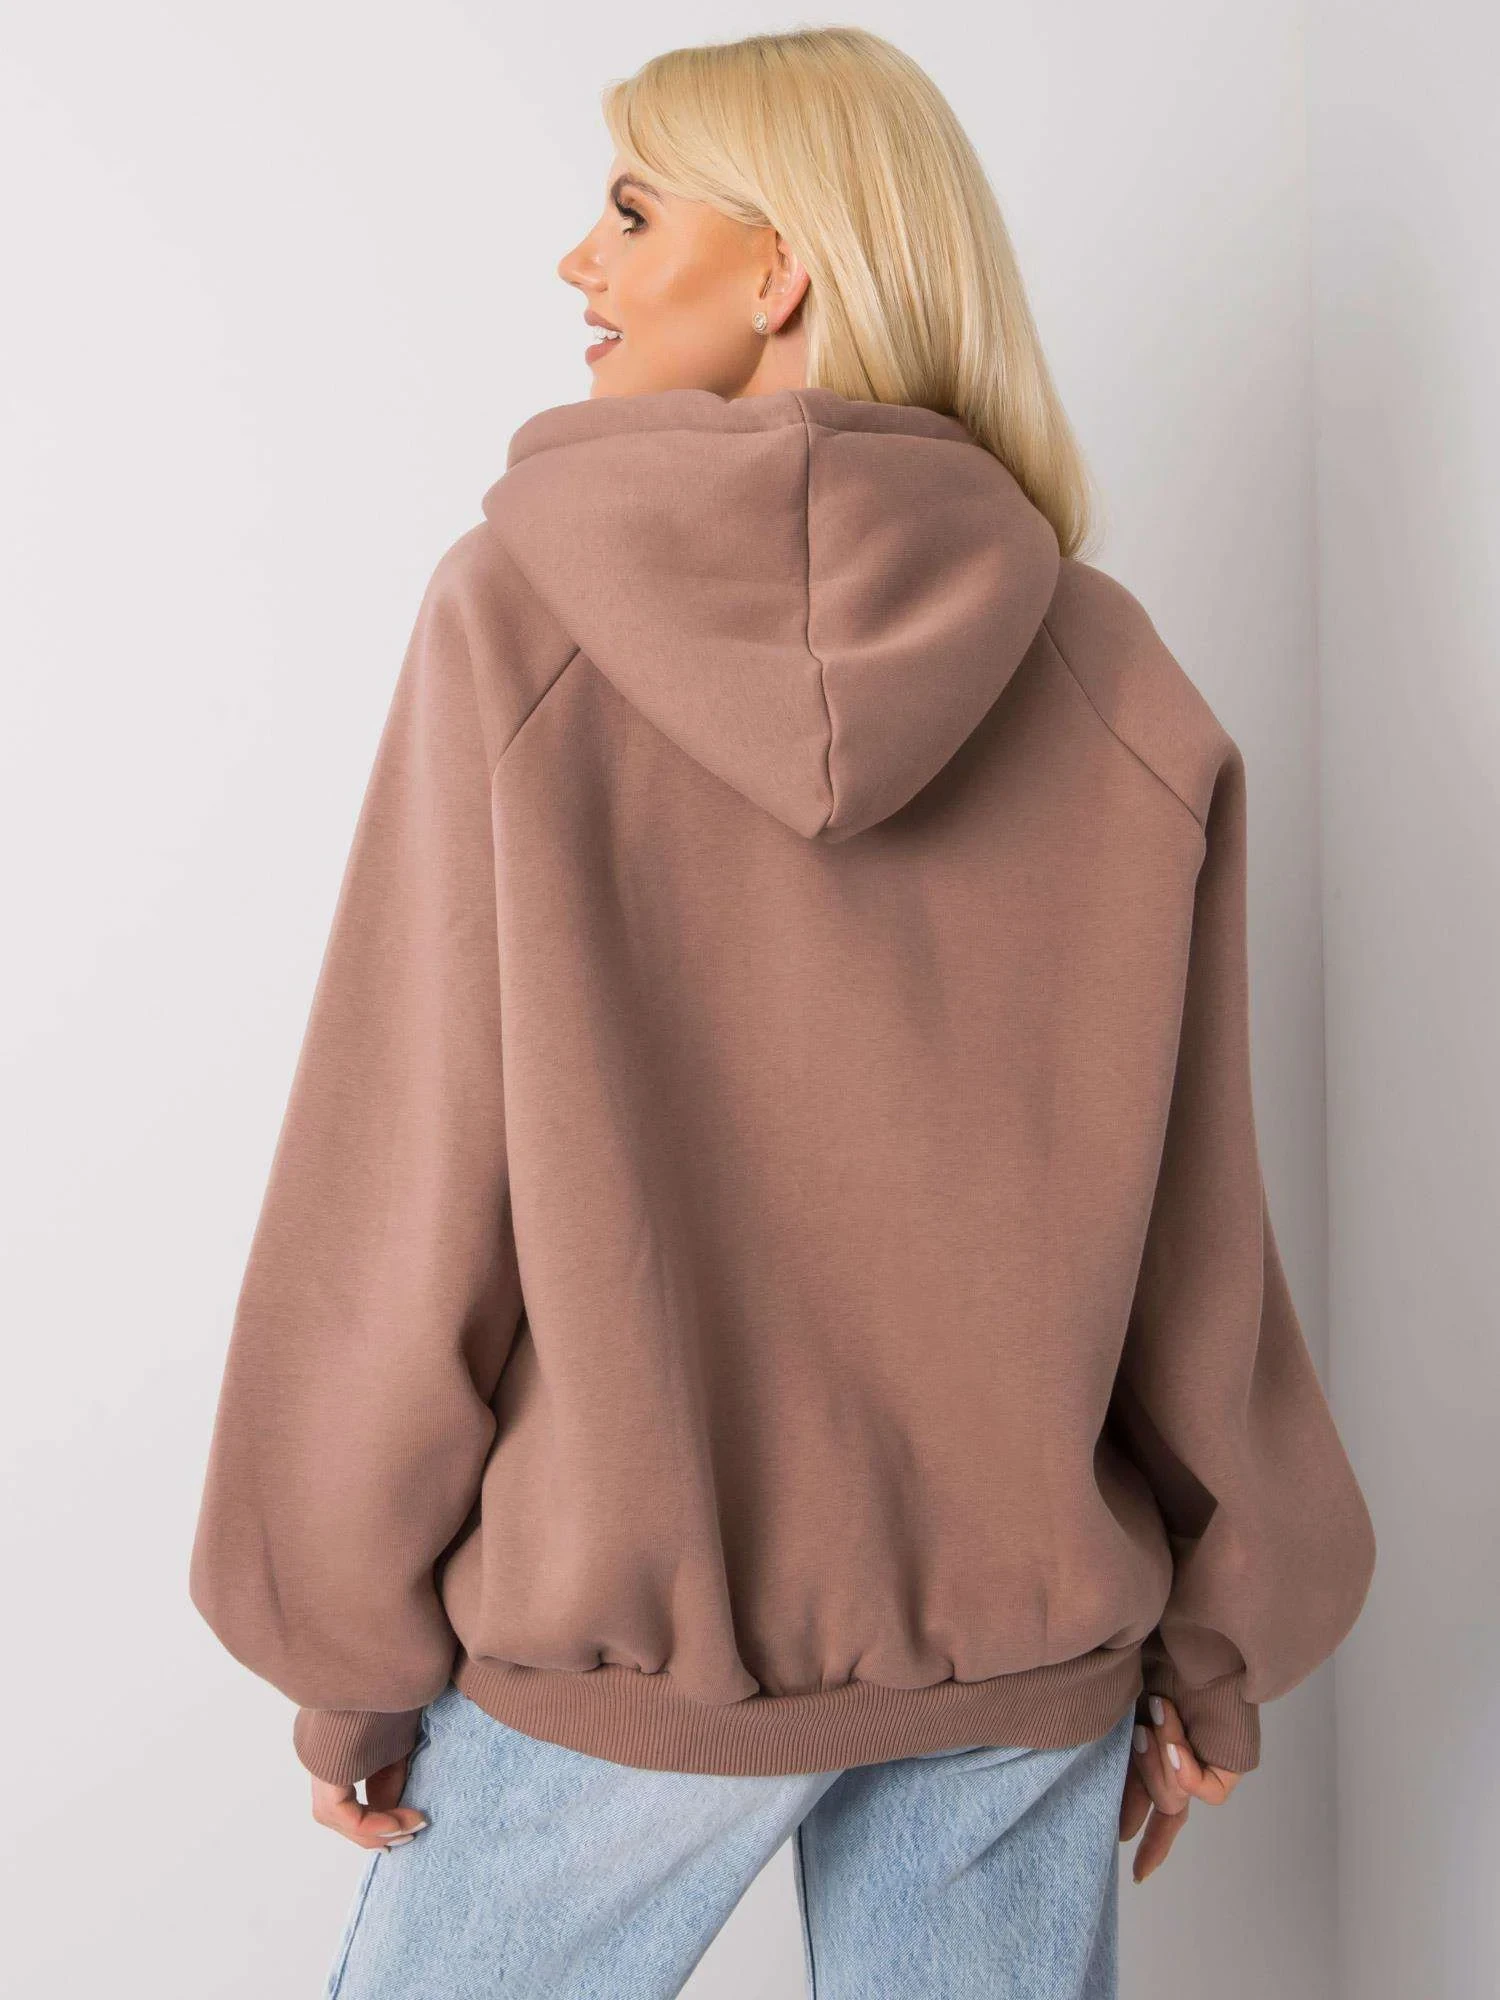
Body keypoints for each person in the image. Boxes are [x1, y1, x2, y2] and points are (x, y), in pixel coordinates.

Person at [188, 26, 1377, 1999]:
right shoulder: (1109, 673)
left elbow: (405, 1179)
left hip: (622, 1647)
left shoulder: (512, 621)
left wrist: (346, 1647)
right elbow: (1203, 1236)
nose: (579, 260)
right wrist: (1221, 1646)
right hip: (1017, 1651)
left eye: (632, 211)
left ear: (781, 267)